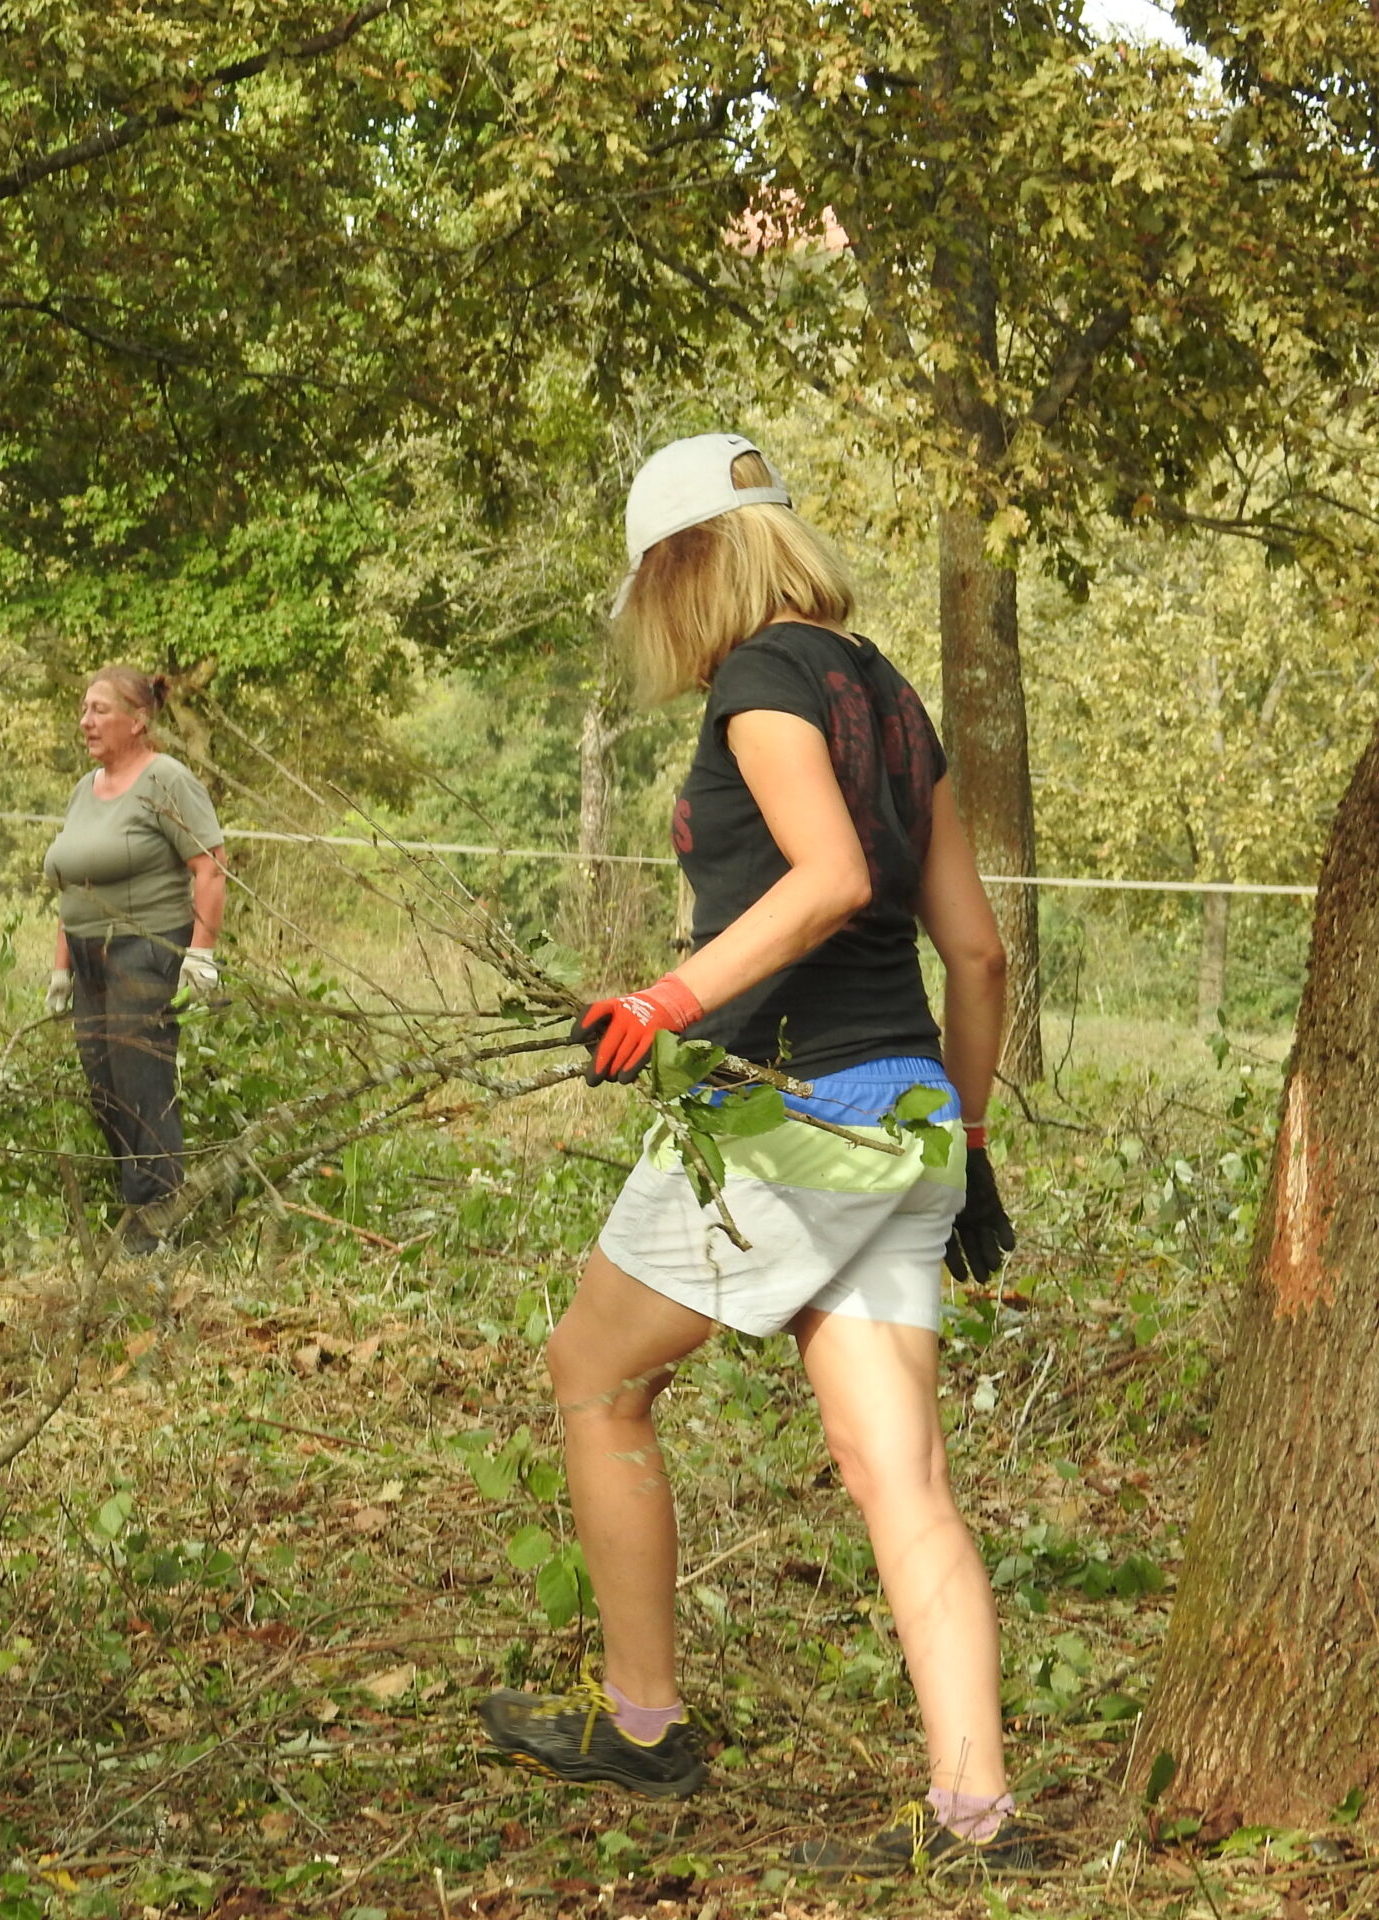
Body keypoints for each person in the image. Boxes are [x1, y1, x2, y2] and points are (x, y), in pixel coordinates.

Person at [473, 435, 1026, 1876]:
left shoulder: (766, 685)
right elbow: (975, 952)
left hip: (799, 1112)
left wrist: (663, 1002)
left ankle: (644, 1727)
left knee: (594, 1375)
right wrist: (962, 1139)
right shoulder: (891, 697)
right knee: (898, 1475)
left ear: (689, 565)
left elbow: (834, 879)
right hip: (906, 1114)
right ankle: (973, 1816)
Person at [40, 667, 227, 1252]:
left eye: (99, 710)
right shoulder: (84, 788)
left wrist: (201, 953)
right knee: (103, 1090)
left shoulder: (166, 780)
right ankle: (144, 1206)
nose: (86, 721)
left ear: (137, 720)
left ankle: (154, 1230)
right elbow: (74, 882)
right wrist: (61, 967)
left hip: (144, 950)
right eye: (85, 709)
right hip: (90, 957)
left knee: (141, 1087)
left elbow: (210, 866)